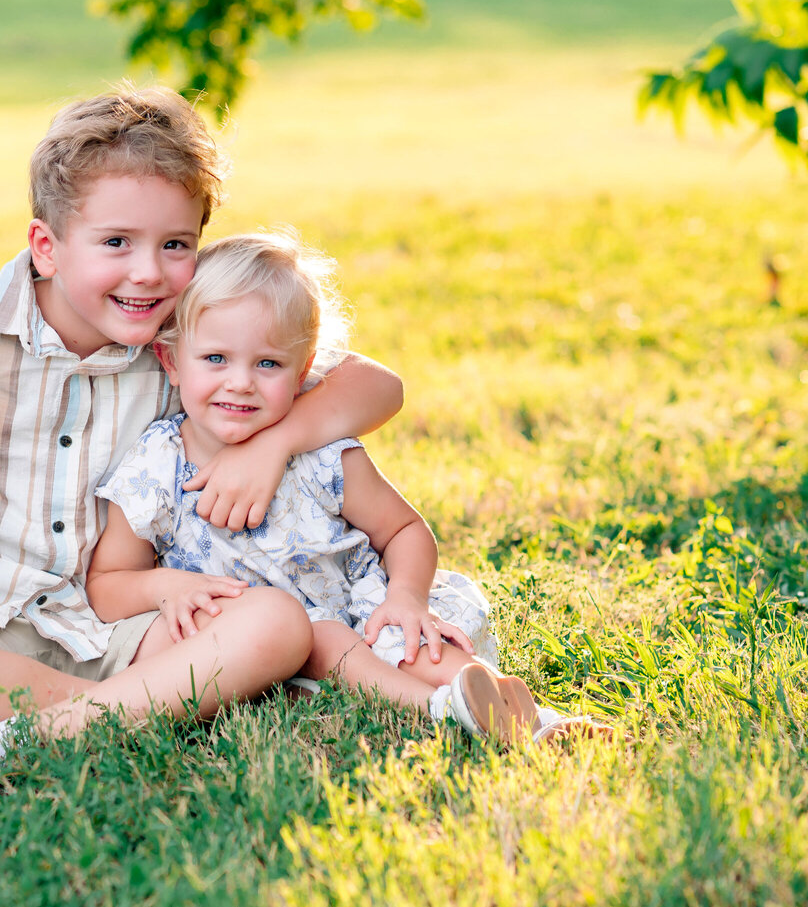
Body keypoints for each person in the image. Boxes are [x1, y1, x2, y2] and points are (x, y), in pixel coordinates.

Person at [0, 86, 405, 793]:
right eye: (117, 242)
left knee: (275, 622)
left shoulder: (186, 346)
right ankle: (153, 707)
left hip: (135, 619)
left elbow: (377, 384)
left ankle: (11, 741)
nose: (148, 271)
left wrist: (274, 442)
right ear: (46, 247)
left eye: (175, 245)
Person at [90, 231, 603, 744]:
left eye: (267, 363)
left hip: (360, 611)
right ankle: (444, 712)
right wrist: (165, 587)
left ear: (303, 371)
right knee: (325, 638)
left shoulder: (322, 453)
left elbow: (402, 528)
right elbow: (107, 583)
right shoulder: (157, 465)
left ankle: (538, 722)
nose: (241, 381)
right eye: (216, 359)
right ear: (173, 361)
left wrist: (405, 596)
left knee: (413, 647)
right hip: (253, 646)